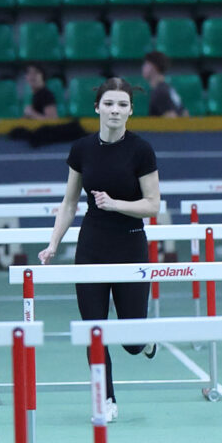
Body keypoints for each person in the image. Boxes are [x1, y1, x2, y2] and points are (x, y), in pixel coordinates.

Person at [39, 77, 161, 423]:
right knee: (95, 329)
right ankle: (105, 398)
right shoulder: (82, 149)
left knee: (131, 342)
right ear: (97, 108)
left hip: (130, 245)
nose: (115, 110)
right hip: (92, 246)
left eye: (122, 105)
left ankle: (144, 340)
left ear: (131, 111)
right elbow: (69, 203)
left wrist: (115, 203)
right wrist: (53, 244)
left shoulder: (141, 150)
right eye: (109, 104)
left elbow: (152, 205)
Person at [8, 63, 85, 147]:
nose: (32, 76)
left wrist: (32, 113)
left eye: (36, 73)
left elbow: (52, 121)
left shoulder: (45, 94)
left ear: (43, 76)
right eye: (29, 73)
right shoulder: (36, 95)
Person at [142, 51, 186, 118]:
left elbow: (172, 115)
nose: (143, 67)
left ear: (154, 67)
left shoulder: (160, 92)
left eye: (146, 64)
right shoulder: (167, 88)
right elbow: (184, 112)